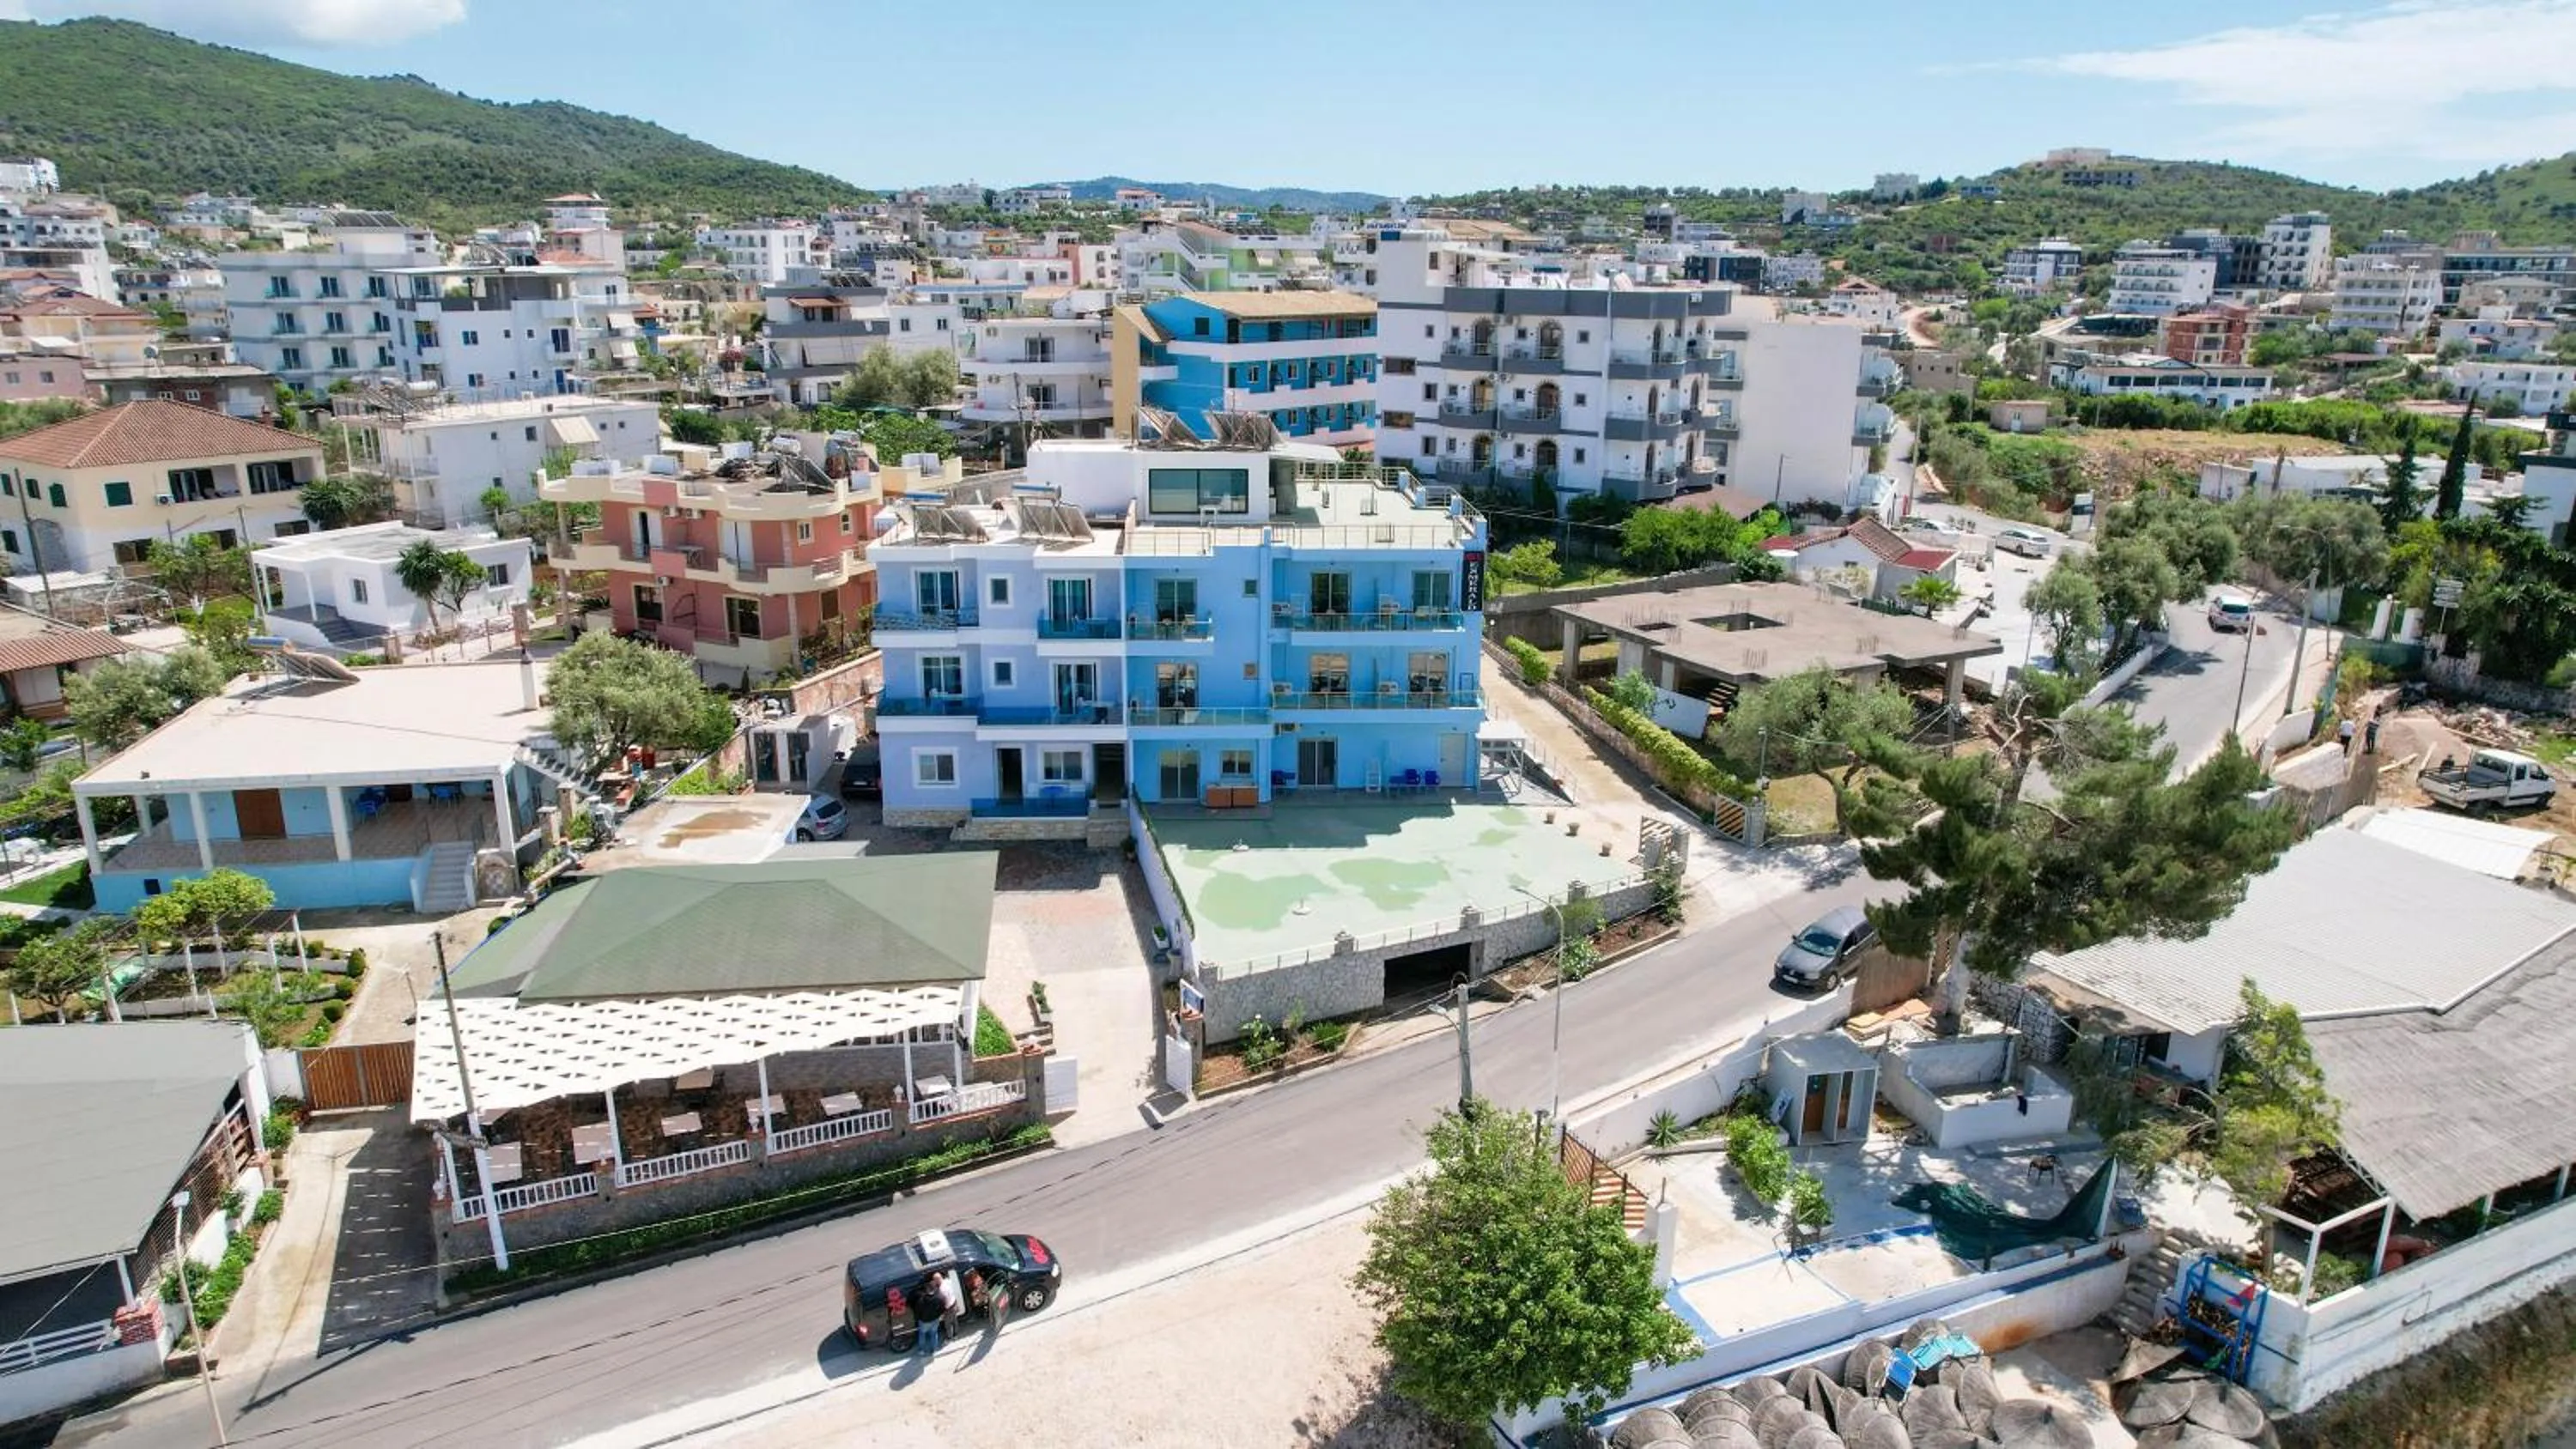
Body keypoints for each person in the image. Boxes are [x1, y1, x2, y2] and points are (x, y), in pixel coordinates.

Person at [914, 1279, 943, 1355]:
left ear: (927, 1290)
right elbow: (942, 1309)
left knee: (922, 1335)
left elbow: (917, 1312)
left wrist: (918, 1319)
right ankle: (934, 1349)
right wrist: (938, 1316)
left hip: (924, 1322)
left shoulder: (921, 1300)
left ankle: (921, 1350)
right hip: (935, 1320)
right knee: (934, 1334)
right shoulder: (938, 1298)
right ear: (934, 1289)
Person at [937, 1268, 965, 1343]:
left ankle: (949, 1337)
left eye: (935, 1280)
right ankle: (956, 1334)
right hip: (954, 1304)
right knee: (955, 1320)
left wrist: (943, 1311)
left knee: (948, 1324)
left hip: (949, 1308)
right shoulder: (948, 1281)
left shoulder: (942, 1289)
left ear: (938, 1280)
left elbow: (946, 1301)